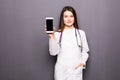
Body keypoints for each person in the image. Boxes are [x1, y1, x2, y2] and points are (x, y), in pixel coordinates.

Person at [46, 6, 89, 80]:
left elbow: (85, 51)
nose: (69, 19)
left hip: (76, 71)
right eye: (66, 16)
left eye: (71, 16)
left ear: (74, 18)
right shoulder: (57, 34)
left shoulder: (81, 33)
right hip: (61, 72)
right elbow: (53, 53)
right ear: (62, 18)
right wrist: (51, 36)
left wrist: (82, 63)